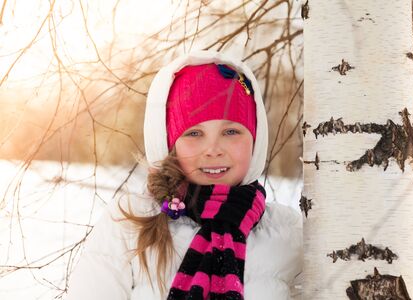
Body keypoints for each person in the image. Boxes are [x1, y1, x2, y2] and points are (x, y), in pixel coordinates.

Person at [65, 50, 303, 300]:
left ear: (255, 141)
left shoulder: (287, 232)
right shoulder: (129, 224)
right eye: (194, 134)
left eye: (231, 132)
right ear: (169, 143)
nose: (213, 150)